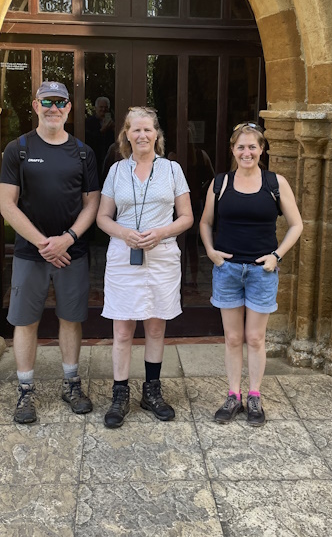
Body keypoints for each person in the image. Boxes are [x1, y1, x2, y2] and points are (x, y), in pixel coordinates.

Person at [0, 81, 100, 423]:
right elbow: (6, 205)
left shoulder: (84, 152)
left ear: (70, 108)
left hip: (73, 252)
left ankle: (71, 383)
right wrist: (45, 244)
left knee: (71, 319)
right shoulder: (19, 148)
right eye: (47, 102)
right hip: (31, 253)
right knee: (25, 322)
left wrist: (67, 239)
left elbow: (92, 203)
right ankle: (25, 391)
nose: (53, 108)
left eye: (60, 102)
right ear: (35, 105)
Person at [199, 122, 303, 427]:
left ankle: (254, 395)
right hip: (227, 270)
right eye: (241, 147)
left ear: (261, 149)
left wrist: (276, 255)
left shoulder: (275, 183)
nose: (247, 152)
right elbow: (205, 222)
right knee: (232, 338)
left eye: (253, 146)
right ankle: (233, 394)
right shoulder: (220, 184)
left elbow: (296, 224)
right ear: (233, 150)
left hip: (261, 272)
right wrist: (210, 251)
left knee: (255, 338)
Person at [96, 106, 194, 428]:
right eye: (135, 130)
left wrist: (162, 232)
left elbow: (187, 217)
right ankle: (120, 394)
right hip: (124, 257)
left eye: (148, 130)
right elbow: (102, 217)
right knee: (123, 329)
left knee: (155, 326)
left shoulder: (172, 170)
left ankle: (152, 391)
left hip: (162, 256)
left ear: (157, 135)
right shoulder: (116, 171)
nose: (142, 135)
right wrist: (124, 232)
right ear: (126, 134)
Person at [85, 96, 115, 179]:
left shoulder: (112, 122)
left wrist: (114, 129)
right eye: (101, 107)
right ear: (96, 108)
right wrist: (102, 130)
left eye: (106, 107)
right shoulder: (89, 122)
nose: (103, 110)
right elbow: (88, 139)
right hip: (94, 157)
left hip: (109, 157)